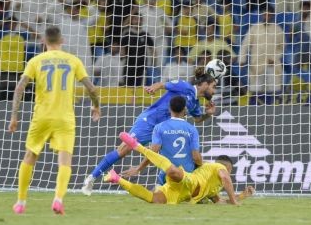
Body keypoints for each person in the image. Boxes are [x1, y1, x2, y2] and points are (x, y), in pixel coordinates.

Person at [8, 26, 101, 215]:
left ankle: (21, 202)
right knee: (65, 160)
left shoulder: (36, 60)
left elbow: (19, 88)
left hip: (42, 116)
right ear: (62, 41)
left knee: (30, 156)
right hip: (65, 118)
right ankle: (58, 199)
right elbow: (91, 88)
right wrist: (96, 106)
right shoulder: (73, 60)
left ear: (44, 42)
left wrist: (14, 115)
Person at [82, 67, 217, 195]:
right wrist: (153, 88)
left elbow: (198, 119)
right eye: (213, 87)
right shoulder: (184, 86)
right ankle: (92, 177)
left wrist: (208, 114)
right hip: (150, 121)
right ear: (205, 84)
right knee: (124, 150)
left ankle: (163, 189)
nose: (214, 91)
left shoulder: (195, 102)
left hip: (165, 129)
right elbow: (162, 85)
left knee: (165, 155)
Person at [104, 132, 255, 205]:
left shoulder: (213, 189)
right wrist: (235, 201)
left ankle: (116, 178)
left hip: (179, 193)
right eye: (230, 171)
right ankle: (137, 146)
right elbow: (225, 177)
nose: (229, 174)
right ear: (228, 167)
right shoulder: (219, 167)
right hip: (190, 181)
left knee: (153, 199)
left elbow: (220, 202)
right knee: (172, 171)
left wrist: (241, 197)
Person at [122, 95, 202, 185]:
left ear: (169, 109)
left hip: (168, 175)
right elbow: (196, 157)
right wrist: (200, 167)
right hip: (188, 176)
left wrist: (138, 169)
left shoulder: (159, 127)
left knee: (155, 196)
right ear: (184, 109)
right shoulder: (192, 129)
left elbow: (153, 153)